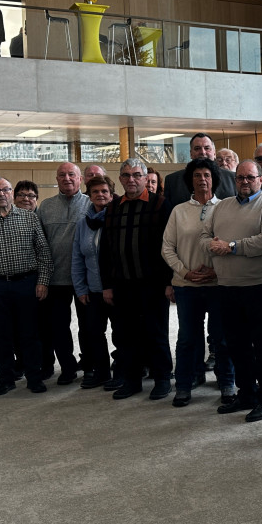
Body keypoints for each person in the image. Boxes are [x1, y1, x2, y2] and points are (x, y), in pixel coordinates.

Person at [202, 160, 262, 420]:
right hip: (227, 286)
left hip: (260, 286)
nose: (244, 182)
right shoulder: (221, 206)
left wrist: (233, 246)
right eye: (240, 178)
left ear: (261, 179)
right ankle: (246, 393)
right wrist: (213, 245)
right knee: (236, 345)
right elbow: (204, 236)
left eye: (250, 177)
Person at [0, 177, 53, 396]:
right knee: (2, 336)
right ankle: (5, 379)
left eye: (5, 189)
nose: (1, 194)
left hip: (27, 284)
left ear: (12, 193)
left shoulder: (29, 218)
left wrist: (42, 281)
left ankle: (34, 377)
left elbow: (44, 253)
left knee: (29, 334)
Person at [162, 158, 234, 407]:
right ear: (189, 181)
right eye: (196, 176)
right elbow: (167, 249)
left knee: (222, 337)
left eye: (206, 175)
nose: (202, 180)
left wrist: (216, 272)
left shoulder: (227, 208)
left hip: (218, 285)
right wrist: (185, 273)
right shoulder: (179, 211)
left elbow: (232, 245)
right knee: (187, 338)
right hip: (187, 286)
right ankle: (183, 385)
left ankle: (227, 383)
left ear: (214, 179)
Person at [100, 158, 173, 401]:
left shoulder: (161, 205)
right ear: (120, 179)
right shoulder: (112, 207)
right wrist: (107, 285)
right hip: (122, 285)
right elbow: (106, 251)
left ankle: (162, 378)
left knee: (156, 332)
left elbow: (169, 246)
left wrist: (169, 282)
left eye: (136, 175)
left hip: (153, 285)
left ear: (145, 178)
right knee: (125, 335)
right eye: (126, 175)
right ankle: (131, 380)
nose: (131, 179)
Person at [37, 162, 88, 385]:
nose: (66, 178)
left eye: (71, 174)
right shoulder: (45, 207)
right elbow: (39, 244)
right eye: (62, 175)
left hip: (84, 279)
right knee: (58, 328)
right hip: (55, 278)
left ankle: (91, 365)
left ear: (80, 179)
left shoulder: (91, 204)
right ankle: (67, 367)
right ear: (56, 180)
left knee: (89, 327)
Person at [72, 175, 116, 390]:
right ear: (89, 196)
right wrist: (80, 288)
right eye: (96, 192)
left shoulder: (118, 217)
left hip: (117, 290)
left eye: (104, 191)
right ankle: (102, 372)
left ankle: (123, 373)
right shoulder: (83, 224)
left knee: (121, 334)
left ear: (111, 194)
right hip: (92, 290)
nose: (100, 195)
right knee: (94, 334)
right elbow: (77, 258)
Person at [163, 133, 236, 207]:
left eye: (207, 148)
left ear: (214, 153)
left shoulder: (232, 178)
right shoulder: (173, 181)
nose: (203, 152)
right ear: (191, 153)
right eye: (197, 148)